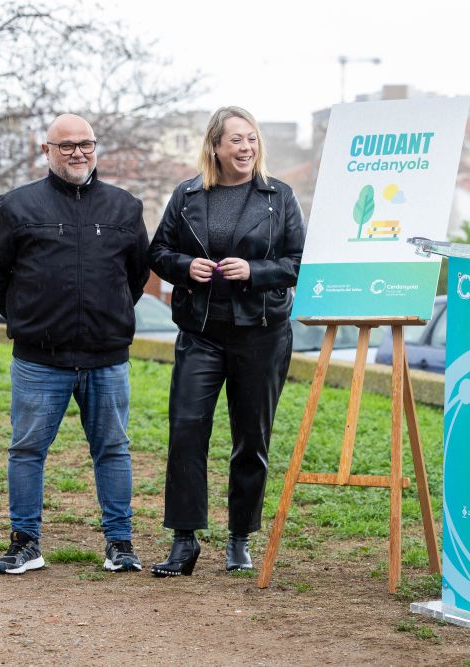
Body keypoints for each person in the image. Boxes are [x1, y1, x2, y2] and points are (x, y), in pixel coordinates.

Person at [0, 113, 149, 575]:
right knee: (26, 450)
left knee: (113, 449)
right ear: (46, 151)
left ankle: (120, 544)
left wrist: (105, 318)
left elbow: (134, 278)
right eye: (66, 145)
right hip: (39, 360)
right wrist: (31, 319)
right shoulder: (15, 207)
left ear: (96, 148)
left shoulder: (124, 208)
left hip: (106, 358)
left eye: (86, 144)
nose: (78, 152)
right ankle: (26, 542)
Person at [147, 106, 305, 576]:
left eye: (252, 138)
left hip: (261, 334)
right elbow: (158, 251)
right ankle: (184, 540)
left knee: (251, 439)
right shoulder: (187, 194)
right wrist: (183, 267)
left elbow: (300, 260)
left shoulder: (279, 196)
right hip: (200, 333)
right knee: (187, 431)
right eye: (236, 140)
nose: (246, 148)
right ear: (215, 146)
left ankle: (240, 537)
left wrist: (255, 271)